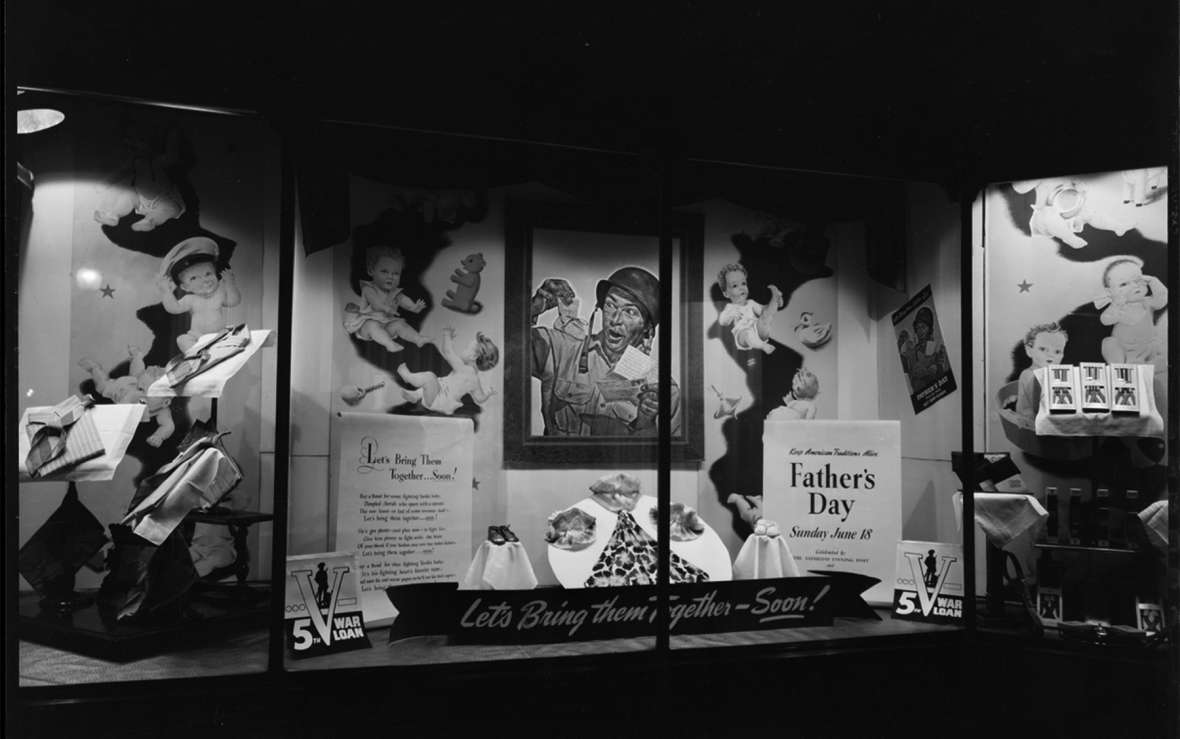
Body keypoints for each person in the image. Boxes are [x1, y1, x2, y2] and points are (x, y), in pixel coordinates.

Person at [529, 267, 680, 436]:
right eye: (610, 305)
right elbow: (508, 348)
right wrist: (534, 307)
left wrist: (645, 424)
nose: (615, 320)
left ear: (647, 328)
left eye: (630, 312)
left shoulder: (661, 389)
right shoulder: (562, 349)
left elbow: (673, 456)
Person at [158, 237, 241, 353]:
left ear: (216, 274)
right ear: (185, 287)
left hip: (219, 335)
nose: (205, 280)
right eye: (194, 278)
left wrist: (230, 283)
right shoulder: (191, 299)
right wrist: (166, 292)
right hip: (197, 337)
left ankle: (217, 352)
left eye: (208, 273)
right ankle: (198, 354)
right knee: (182, 340)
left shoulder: (220, 293)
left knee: (234, 335)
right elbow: (174, 308)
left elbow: (234, 301)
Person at [342, 245, 428, 353]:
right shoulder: (368, 289)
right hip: (366, 325)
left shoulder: (394, 292)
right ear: (371, 270)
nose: (390, 276)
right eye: (384, 271)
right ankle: (390, 344)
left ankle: (417, 339)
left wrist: (414, 307)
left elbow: (404, 300)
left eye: (396, 273)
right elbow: (376, 304)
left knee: (399, 324)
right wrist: (387, 309)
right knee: (372, 325)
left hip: (386, 325)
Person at [397, 328, 498, 414]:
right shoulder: (475, 380)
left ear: (473, 356)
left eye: (467, 348)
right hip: (445, 403)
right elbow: (479, 398)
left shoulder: (463, 369)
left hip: (439, 398)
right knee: (435, 382)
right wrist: (488, 395)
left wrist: (447, 335)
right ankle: (415, 395)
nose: (464, 350)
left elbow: (447, 351)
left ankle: (408, 377)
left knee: (430, 377)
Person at [1096, 257, 1168, 365]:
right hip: (1122, 347)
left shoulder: (1148, 302)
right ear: (1110, 291)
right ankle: (1118, 365)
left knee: (1159, 345)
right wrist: (1116, 307)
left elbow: (1162, 299)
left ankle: (1144, 363)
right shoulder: (1117, 306)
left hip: (1146, 346)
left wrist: (1153, 281)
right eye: (1124, 284)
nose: (1134, 286)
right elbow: (1105, 320)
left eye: (1137, 280)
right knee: (1109, 343)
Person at [716, 263, 782, 354]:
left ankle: (776, 299)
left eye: (743, 283)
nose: (741, 288)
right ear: (726, 294)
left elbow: (764, 312)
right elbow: (722, 321)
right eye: (735, 285)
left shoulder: (751, 303)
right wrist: (730, 314)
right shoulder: (730, 308)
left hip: (758, 330)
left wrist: (773, 305)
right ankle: (762, 346)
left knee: (766, 316)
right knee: (747, 333)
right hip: (742, 334)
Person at [1015, 322, 1067, 419]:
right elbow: (1038, 408)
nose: (1051, 355)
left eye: (1057, 351)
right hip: (1030, 424)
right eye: (1043, 349)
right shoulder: (1030, 375)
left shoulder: (1051, 374)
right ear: (1029, 351)